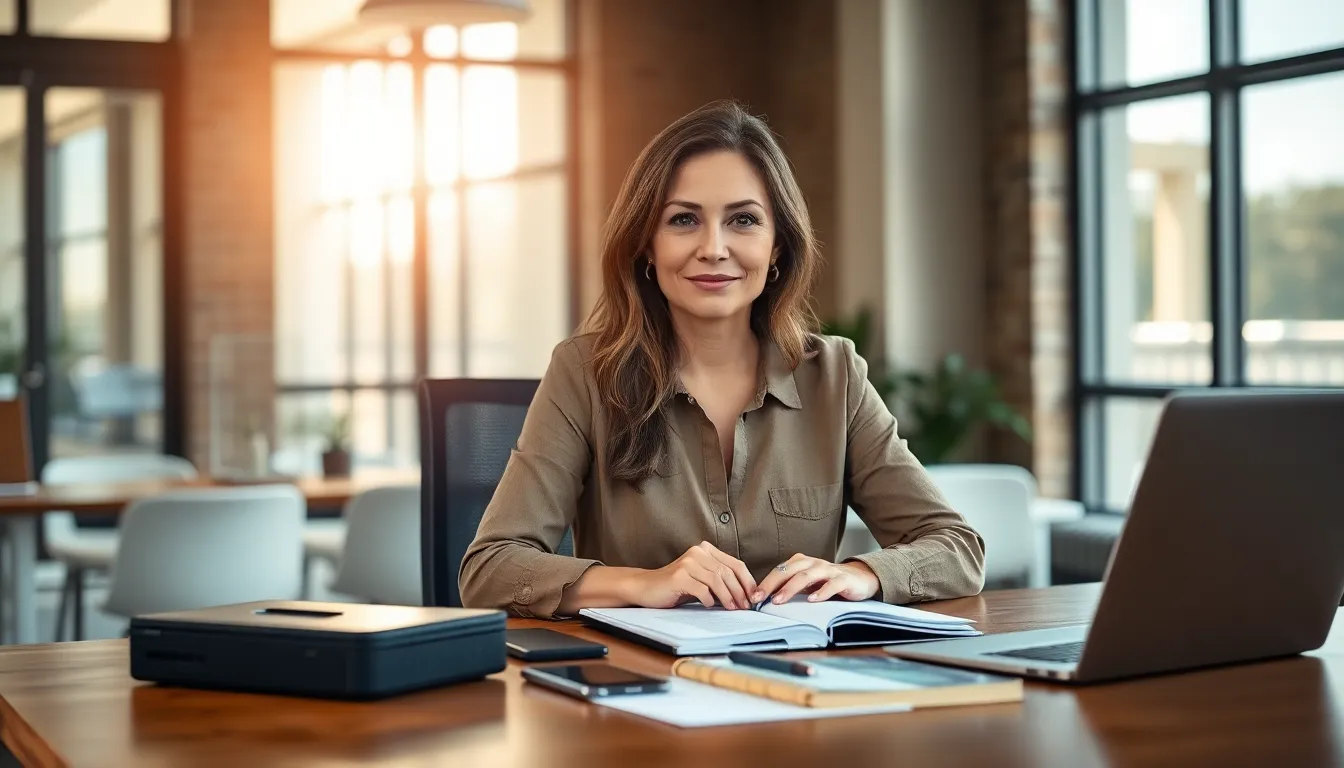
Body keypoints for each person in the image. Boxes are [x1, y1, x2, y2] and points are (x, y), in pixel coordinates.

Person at [459, 100, 985, 619]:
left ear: (778, 246)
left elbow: (956, 547)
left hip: (799, 683)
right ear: (647, 244)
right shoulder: (584, 373)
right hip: (635, 686)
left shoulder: (835, 376)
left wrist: (863, 575)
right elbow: (491, 569)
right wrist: (645, 584)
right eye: (684, 219)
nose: (713, 248)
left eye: (744, 220)